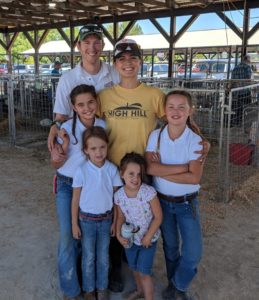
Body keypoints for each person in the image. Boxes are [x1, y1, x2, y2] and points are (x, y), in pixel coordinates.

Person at [98, 38, 165, 292]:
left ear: (140, 62)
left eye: (133, 59)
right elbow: (83, 120)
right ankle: (117, 268)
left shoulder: (154, 95)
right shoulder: (104, 96)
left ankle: (138, 265)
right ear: (115, 65)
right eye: (122, 59)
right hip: (114, 172)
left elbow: (174, 119)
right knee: (117, 220)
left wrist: (198, 138)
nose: (128, 63)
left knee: (142, 219)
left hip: (140, 172)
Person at [145, 90, 205, 300]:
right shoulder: (156, 136)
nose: (176, 111)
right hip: (162, 202)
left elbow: (194, 179)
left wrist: (163, 169)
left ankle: (178, 285)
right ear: (164, 111)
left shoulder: (195, 140)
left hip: (187, 203)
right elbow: (150, 169)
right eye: (171, 106)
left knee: (193, 252)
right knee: (170, 247)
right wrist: (183, 168)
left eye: (182, 107)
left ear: (190, 111)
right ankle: (174, 287)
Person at [51, 84, 106, 300]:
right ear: (73, 107)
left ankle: (88, 285)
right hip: (67, 184)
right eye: (80, 104)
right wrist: (62, 147)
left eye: (90, 102)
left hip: (92, 187)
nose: (86, 108)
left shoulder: (103, 126)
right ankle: (70, 289)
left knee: (87, 236)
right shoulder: (64, 128)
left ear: (97, 102)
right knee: (67, 236)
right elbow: (55, 163)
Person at [48, 23, 119, 151]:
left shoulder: (116, 74)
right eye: (86, 42)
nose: (92, 48)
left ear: (103, 45)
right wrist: (54, 127)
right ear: (78, 46)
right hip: (78, 145)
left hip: (110, 142)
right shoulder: (67, 79)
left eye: (97, 42)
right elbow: (61, 116)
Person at [71, 126, 122, 300]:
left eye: (102, 147)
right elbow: (75, 200)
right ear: (86, 150)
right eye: (93, 148)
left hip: (106, 220)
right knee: (88, 256)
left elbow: (117, 200)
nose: (98, 152)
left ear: (107, 147)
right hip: (86, 221)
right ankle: (88, 289)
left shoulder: (112, 170)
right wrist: (74, 224)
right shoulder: (81, 171)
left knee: (103, 256)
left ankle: (102, 288)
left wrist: (115, 222)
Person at [115, 152, 162, 300]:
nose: (135, 178)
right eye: (131, 174)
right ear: (122, 174)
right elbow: (120, 216)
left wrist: (148, 236)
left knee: (144, 273)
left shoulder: (148, 192)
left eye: (138, 174)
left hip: (148, 240)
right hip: (130, 241)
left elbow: (159, 217)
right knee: (134, 269)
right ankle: (140, 291)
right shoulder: (119, 196)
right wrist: (118, 235)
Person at [231, 55, 253, 126]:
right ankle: (245, 123)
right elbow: (249, 79)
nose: (250, 61)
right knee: (247, 107)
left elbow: (232, 80)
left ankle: (238, 122)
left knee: (238, 108)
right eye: (250, 59)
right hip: (245, 91)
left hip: (236, 91)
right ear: (247, 60)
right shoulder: (247, 67)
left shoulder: (235, 68)